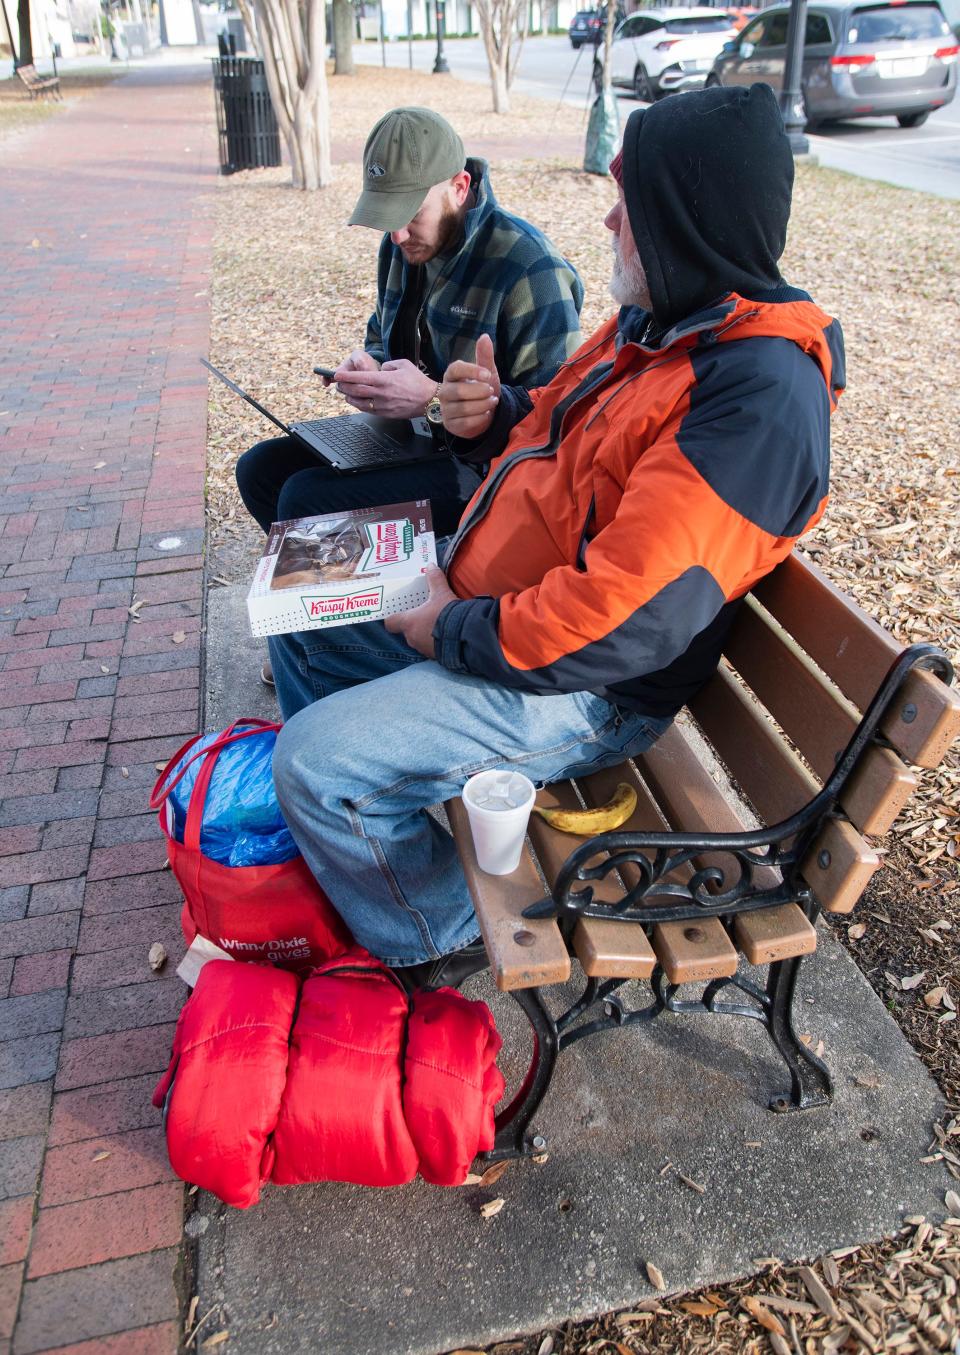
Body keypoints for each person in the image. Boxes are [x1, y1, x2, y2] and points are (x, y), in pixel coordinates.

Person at [270, 84, 846, 989]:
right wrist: (486, 413)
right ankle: (385, 809)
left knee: (310, 764)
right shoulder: (656, 329)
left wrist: (447, 627)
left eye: (634, 199)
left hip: (589, 688)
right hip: (502, 609)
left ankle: (430, 929)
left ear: (688, 224)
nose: (611, 214)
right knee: (299, 615)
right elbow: (556, 435)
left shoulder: (756, 395)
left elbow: (624, 617)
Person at [235, 105, 585, 550]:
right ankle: (353, 588)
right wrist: (371, 370)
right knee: (259, 471)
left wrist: (435, 400)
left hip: (489, 472)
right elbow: (383, 339)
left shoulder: (529, 268)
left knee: (306, 500)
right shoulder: (401, 247)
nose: (397, 235)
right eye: (387, 215)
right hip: (416, 440)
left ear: (460, 187)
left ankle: (364, 602)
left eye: (410, 213)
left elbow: (561, 423)